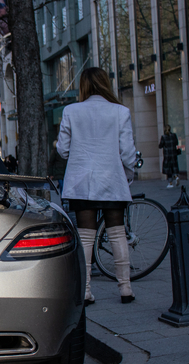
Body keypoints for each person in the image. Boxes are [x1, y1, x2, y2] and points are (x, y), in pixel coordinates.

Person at [57, 67, 137, 306]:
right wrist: (130, 171)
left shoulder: (71, 111)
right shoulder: (120, 112)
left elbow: (62, 149)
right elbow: (128, 152)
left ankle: (86, 291)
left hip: (82, 182)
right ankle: (125, 288)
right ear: (105, 83)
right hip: (111, 179)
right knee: (117, 233)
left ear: (83, 85)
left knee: (86, 237)